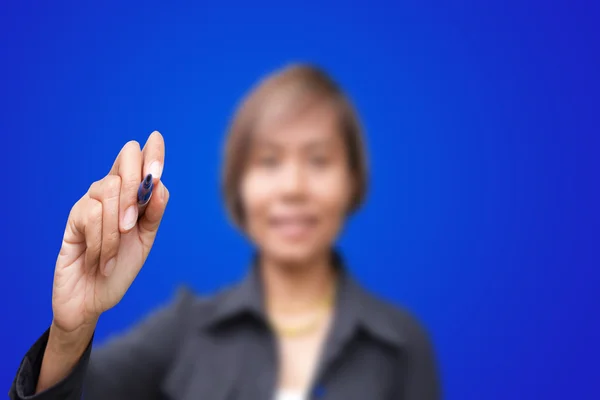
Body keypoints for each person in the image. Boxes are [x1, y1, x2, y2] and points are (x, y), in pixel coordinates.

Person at [9, 64, 440, 400]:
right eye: (269, 161)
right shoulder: (182, 332)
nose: (293, 187)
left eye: (319, 159)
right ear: (239, 187)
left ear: (353, 181)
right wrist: (71, 332)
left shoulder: (401, 345)